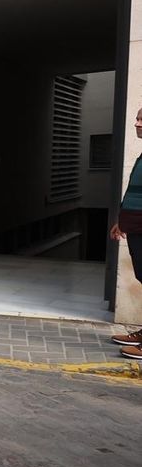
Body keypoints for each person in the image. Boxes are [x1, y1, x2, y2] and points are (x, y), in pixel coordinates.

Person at [109, 105, 142, 359]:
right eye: (137, 119)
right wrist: (122, 221)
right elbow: (134, 193)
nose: (137, 124)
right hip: (135, 226)